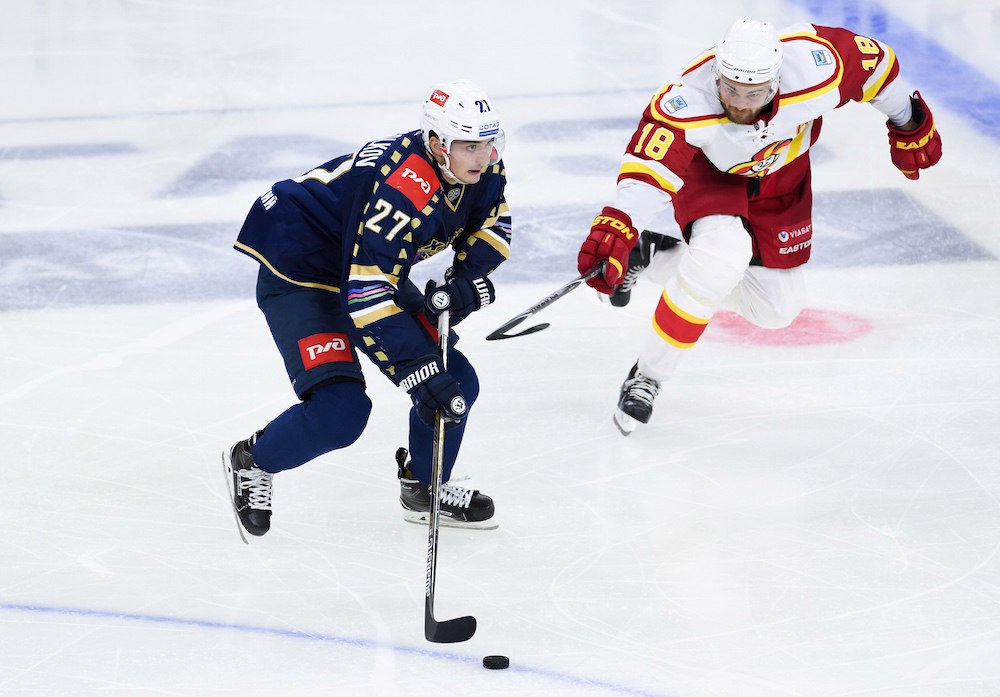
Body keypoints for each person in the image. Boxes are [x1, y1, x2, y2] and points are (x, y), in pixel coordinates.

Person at [577, 18, 942, 435]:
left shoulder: (817, 66)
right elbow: (647, 173)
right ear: (718, 74)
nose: (739, 104)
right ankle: (649, 376)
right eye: (730, 89)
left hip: (782, 175)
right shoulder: (686, 101)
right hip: (711, 173)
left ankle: (654, 256)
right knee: (721, 258)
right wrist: (618, 227)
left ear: (777, 80)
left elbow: (877, 67)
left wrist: (908, 119)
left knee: (775, 309)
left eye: (753, 93)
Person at [223, 79, 511, 539]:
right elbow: (366, 296)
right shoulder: (404, 188)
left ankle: (424, 487)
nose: (485, 156)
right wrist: (419, 371)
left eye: (489, 142)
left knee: (457, 381)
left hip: (365, 267)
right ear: (437, 143)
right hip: (300, 271)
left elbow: (492, 225)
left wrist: (463, 280)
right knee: (342, 413)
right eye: (470, 146)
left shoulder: (482, 168)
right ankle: (252, 460)